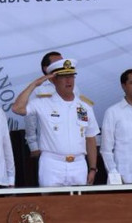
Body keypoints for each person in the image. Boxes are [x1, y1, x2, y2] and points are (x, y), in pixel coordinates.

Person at [12, 58, 98, 187]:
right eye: (63, 77)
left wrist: (92, 168)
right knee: (50, 205)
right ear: (53, 80)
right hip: (52, 164)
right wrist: (35, 84)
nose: (69, 81)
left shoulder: (85, 106)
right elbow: (17, 108)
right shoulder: (43, 103)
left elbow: (90, 139)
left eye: (71, 76)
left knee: (79, 205)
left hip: (79, 164)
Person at [24, 50, 64, 158]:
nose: (62, 66)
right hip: (47, 148)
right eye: (57, 63)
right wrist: (33, 145)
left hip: (70, 147)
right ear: (46, 69)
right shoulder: (38, 89)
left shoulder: (74, 88)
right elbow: (30, 118)